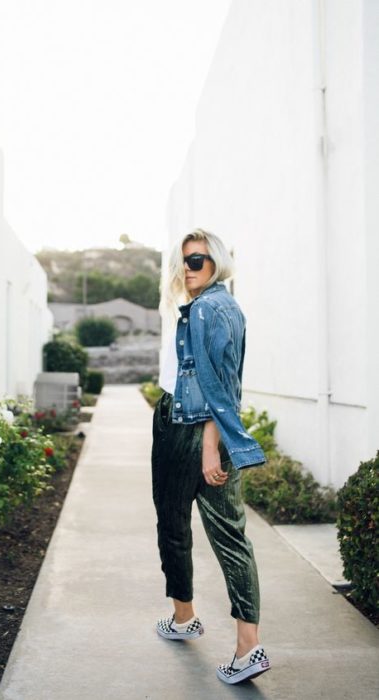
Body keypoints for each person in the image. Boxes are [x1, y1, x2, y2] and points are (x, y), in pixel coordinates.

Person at [151, 228, 271, 685]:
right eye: (183, 261)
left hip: (187, 429)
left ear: (216, 262)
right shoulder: (221, 306)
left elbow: (217, 390)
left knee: (174, 523)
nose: (187, 268)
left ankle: (191, 620)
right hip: (196, 426)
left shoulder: (206, 311)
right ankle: (245, 643)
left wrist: (208, 450)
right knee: (229, 536)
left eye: (197, 260)